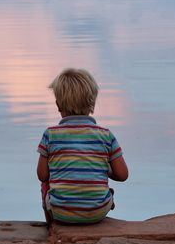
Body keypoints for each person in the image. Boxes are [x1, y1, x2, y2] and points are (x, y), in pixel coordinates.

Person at [37, 68, 129, 224]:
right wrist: (100, 168)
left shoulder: (50, 134)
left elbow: (42, 175)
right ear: (92, 102)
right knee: (102, 189)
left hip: (60, 213)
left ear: (58, 105)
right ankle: (97, 204)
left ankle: (52, 226)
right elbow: (122, 175)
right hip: (97, 212)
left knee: (45, 185)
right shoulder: (106, 135)